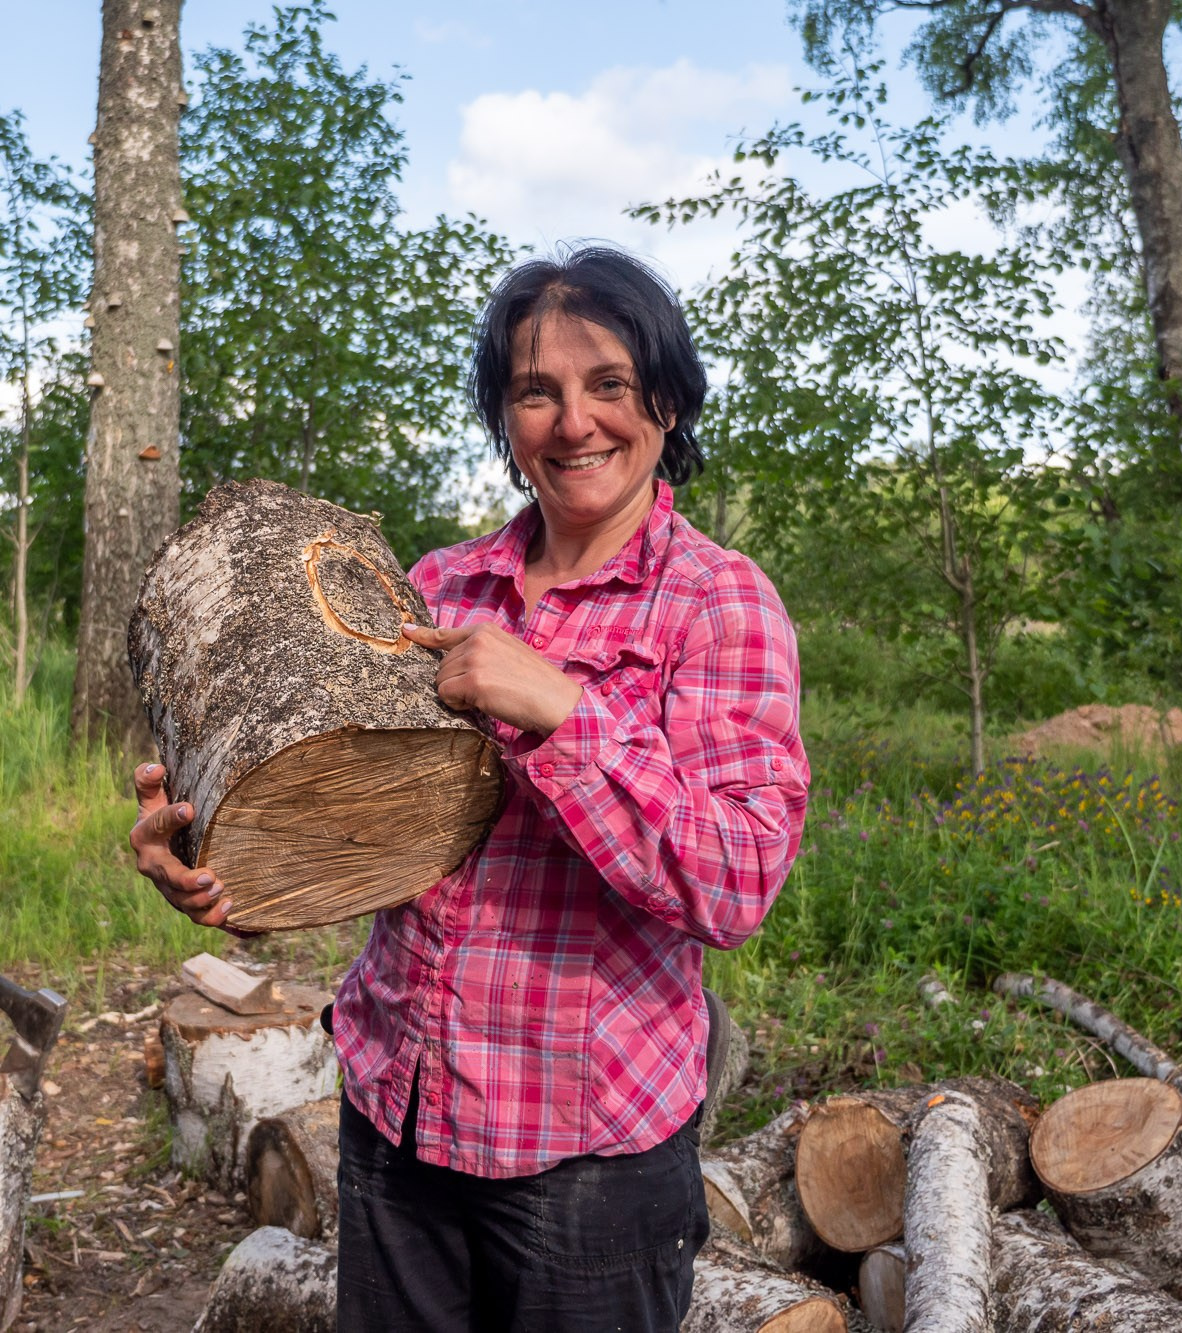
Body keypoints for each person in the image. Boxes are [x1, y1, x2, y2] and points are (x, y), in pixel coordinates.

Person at [131, 246, 809, 1331]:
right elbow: (358, 836)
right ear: (503, 418)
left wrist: (563, 709)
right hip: (399, 1121)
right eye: (534, 392)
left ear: (667, 404)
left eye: (608, 386)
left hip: (588, 1156)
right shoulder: (434, 586)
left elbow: (734, 885)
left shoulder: (715, 604)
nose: (572, 421)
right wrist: (220, 863)